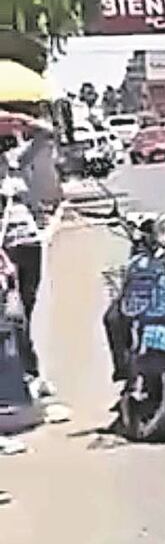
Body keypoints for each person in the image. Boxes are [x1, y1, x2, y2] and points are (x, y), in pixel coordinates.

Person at [0, 103, 62, 396]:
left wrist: (19, 119)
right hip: (5, 249)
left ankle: (25, 371)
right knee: (15, 314)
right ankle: (29, 373)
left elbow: (47, 134)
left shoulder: (16, 162)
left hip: (29, 243)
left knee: (26, 308)